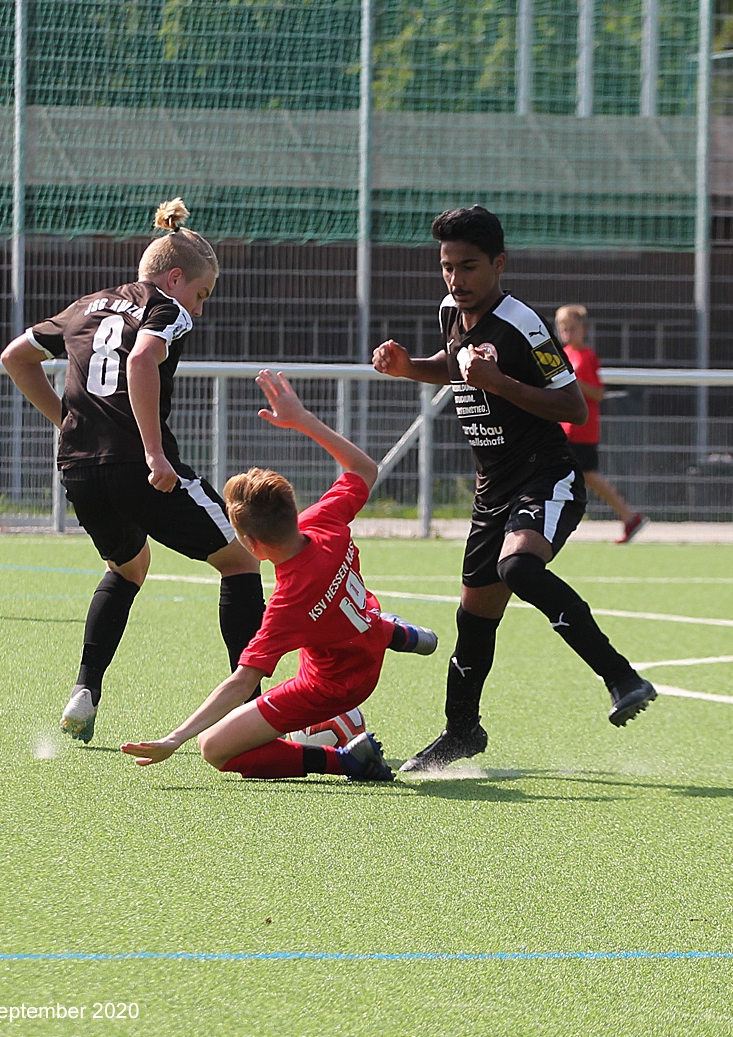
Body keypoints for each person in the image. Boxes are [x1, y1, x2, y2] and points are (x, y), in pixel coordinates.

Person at [371, 206, 656, 774]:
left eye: (469, 267)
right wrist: (410, 367)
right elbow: (454, 365)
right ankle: (461, 732)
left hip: (544, 474)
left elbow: (573, 405)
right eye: (448, 266)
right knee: (474, 617)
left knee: (518, 568)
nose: (456, 278)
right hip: (492, 489)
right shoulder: (450, 310)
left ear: (499, 264)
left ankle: (622, 677)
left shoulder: (524, 324)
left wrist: (500, 383)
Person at [1, 198, 266, 745]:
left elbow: (14, 357)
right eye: (202, 294)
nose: (200, 309)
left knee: (128, 567)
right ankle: (253, 713)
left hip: (78, 467)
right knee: (241, 561)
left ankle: (85, 690)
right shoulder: (166, 307)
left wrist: (66, 421)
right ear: (176, 278)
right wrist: (154, 454)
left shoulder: (84, 306)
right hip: (137, 466)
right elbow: (142, 359)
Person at [120, 371, 437, 781]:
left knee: (214, 747)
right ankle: (392, 631)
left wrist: (174, 738)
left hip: (337, 687)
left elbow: (242, 682)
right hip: (364, 635)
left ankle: (348, 760)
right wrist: (302, 419)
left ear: (252, 545)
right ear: (293, 507)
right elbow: (364, 469)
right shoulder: (322, 520)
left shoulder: (288, 603)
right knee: (344, 620)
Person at [554, 304, 647, 544]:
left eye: (572, 329)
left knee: (583, 475)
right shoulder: (563, 354)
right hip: (565, 427)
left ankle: (628, 515)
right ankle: (628, 516)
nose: (567, 334)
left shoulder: (587, 357)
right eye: (563, 329)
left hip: (582, 428)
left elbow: (598, 393)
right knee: (574, 474)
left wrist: (573, 382)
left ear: (583, 329)